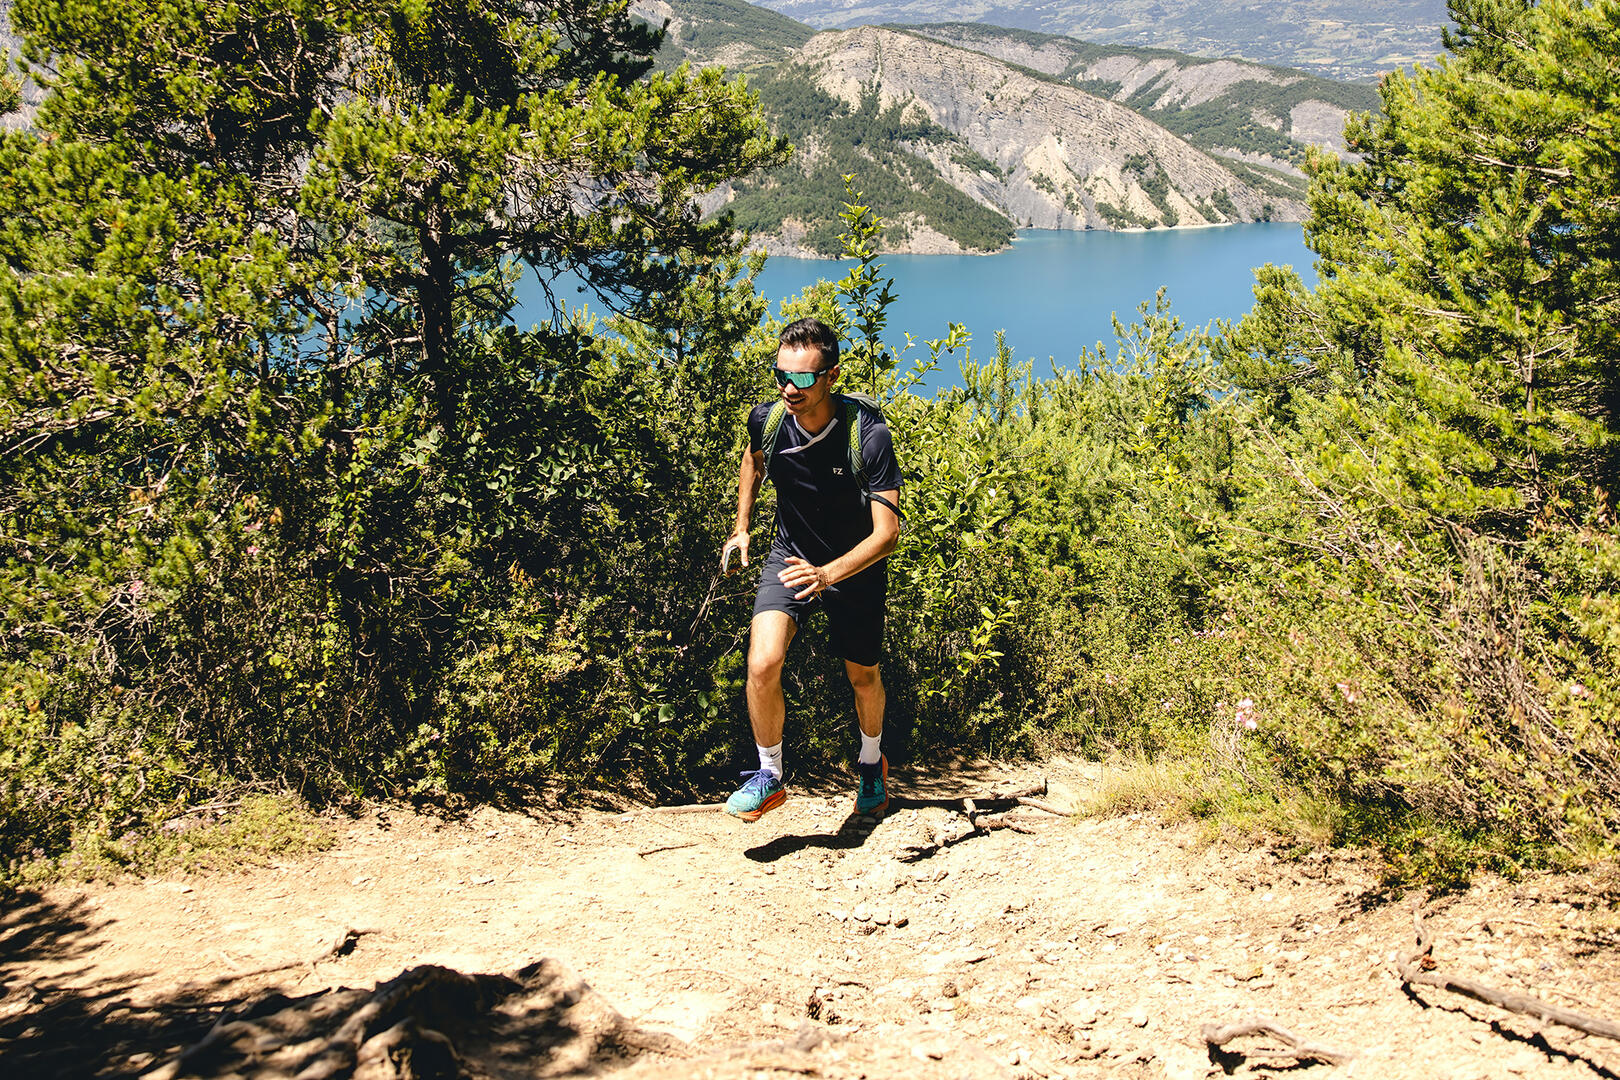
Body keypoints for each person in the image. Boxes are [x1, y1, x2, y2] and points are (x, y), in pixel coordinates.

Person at [719, 317, 903, 822]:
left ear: (831, 376)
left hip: (853, 569)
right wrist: (742, 527)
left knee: (863, 677)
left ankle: (872, 764)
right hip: (790, 557)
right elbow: (753, 459)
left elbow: (886, 534)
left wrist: (827, 575)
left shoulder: (868, 436)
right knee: (762, 664)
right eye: (781, 375)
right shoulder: (768, 419)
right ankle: (769, 776)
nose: (789, 388)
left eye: (802, 377)